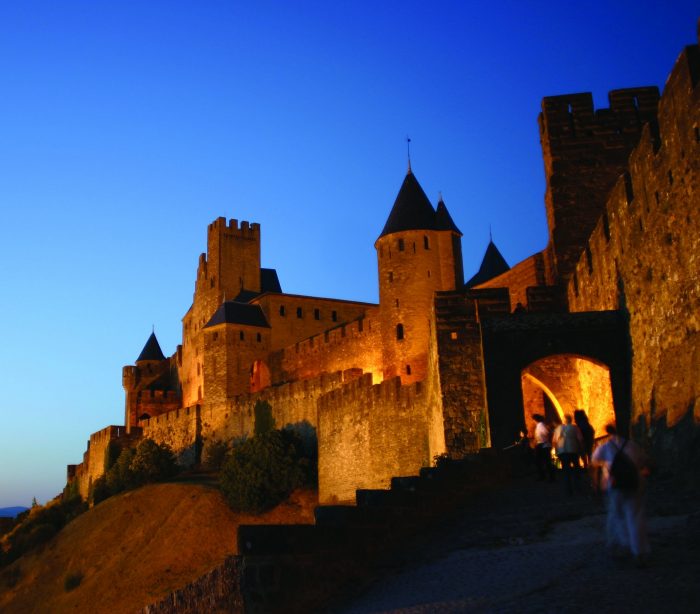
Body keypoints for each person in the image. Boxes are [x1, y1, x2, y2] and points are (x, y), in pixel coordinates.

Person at [591, 424, 651, 566]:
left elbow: (594, 462)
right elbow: (643, 462)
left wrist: (596, 484)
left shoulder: (605, 447)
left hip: (614, 486)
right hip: (633, 485)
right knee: (635, 516)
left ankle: (622, 546)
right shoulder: (633, 445)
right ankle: (639, 550)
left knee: (617, 516)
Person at [553, 414, 584, 495]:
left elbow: (554, 441)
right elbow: (580, 439)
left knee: (566, 471)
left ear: (564, 420)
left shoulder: (558, 429)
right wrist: (581, 449)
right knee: (576, 470)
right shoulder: (575, 428)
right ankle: (578, 488)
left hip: (563, 451)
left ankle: (568, 490)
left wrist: (556, 450)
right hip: (573, 450)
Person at [533, 414, 554, 481]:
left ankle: (548, 476)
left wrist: (543, 439)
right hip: (542, 444)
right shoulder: (540, 425)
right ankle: (546, 476)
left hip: (543, 445)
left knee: (543, 461)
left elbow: (546, 433)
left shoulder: (541, 425)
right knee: (544, 461)